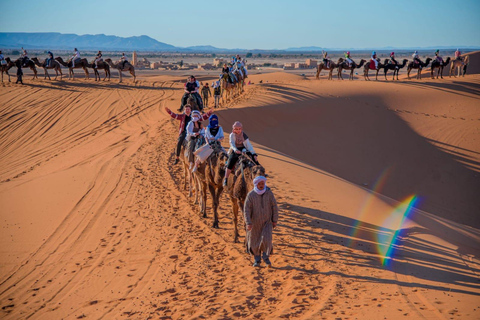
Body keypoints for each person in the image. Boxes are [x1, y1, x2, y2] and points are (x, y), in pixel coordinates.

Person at [244, 175, 279, 268]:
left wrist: (274, 220)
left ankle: (265, 256)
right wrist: (248, 222)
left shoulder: (269, 194)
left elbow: (274, 207)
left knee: (267, 239)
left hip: (267, 222)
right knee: (255, 241)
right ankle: (257, 260)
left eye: (262, 183)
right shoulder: (250, 195)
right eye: (259, 184)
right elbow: (246, 210)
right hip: (254, 223)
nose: (261, 185)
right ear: (256, 184)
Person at [223, 121, 259, 186]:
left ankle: (260, 173)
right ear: (234, 129)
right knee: (231, 161)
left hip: (244, 149)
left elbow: (248, 145)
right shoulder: (232, 135)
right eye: (237, 129)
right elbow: (232, 144)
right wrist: (236, 150)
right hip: (235, 150)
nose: (238, 130)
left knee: (254, 160)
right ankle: (226, 178)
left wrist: (253, 154)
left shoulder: (244, 135)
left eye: (239, 129)